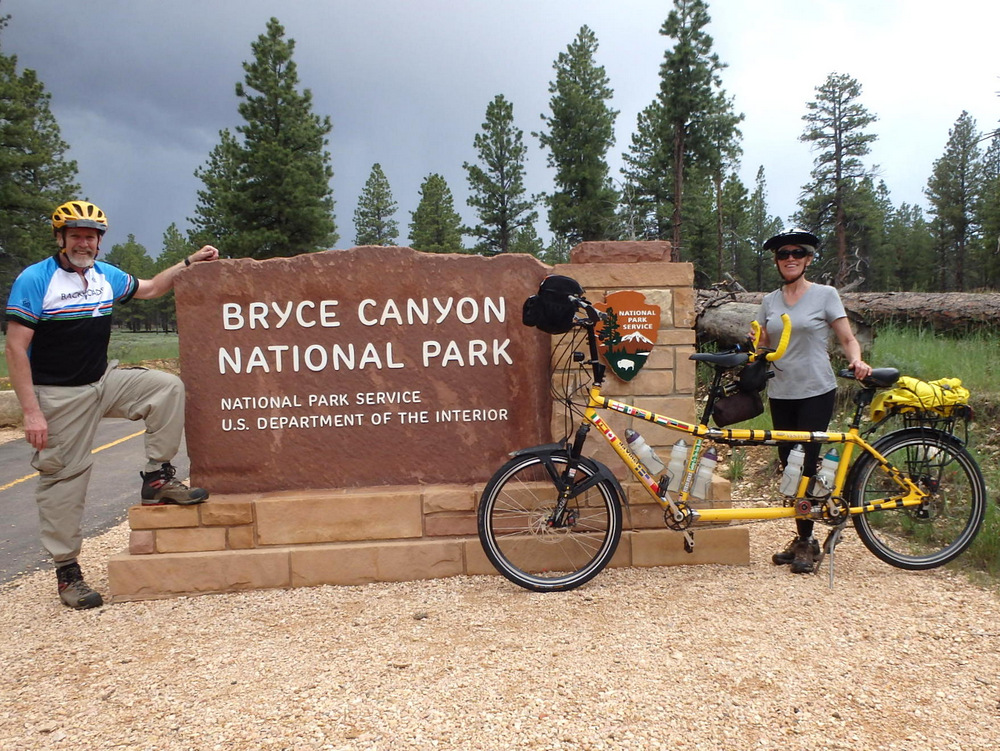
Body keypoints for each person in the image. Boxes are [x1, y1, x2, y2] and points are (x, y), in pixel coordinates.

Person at [4, 200, 219, 609]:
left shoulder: (105, 276)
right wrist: (31, 411)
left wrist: (189, 262)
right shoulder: (36, 280)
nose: (84, 242)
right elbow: (16, 348)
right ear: (61, 238)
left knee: (166, 388)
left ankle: (157, 479)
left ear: (99, 242)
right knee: (65, 479)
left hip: (103, 380)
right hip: (59, 394)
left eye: (91, 236)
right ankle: (68, 571)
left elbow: (152, 287)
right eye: (76, 235)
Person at [754, 228, 872, 574]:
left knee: (806, 466)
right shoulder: (769, 302)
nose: (789, 258)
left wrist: (857, 359)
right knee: (788, 467)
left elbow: (847, 337)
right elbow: (761, 345)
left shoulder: (825, 295)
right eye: (782, 254)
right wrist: (751, 354)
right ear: (776, 261)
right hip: (781, 391)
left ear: (807, 259)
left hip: (816, 390)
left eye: (797, 253)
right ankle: (802, 535)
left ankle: (807, 542)